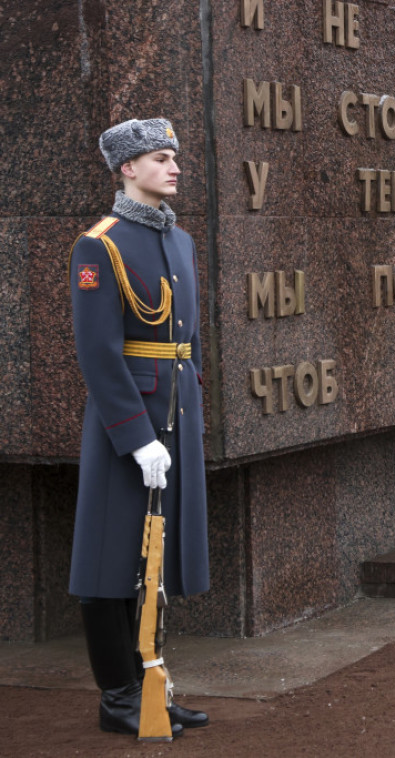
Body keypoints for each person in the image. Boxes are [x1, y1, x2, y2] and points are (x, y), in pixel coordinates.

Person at [68, 118, 210, 737]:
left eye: (174, 156)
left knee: (153, 559)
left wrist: (190, 406)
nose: (174, 166)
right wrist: (135, 435)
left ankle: (152, 680)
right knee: (109, 562)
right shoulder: (100, 244)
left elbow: (189, 341)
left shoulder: (180, 242)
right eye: (159, 158)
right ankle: (118, 696)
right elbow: (98, 352)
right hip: (127, 424)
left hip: (176, 417)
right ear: (127, 168)